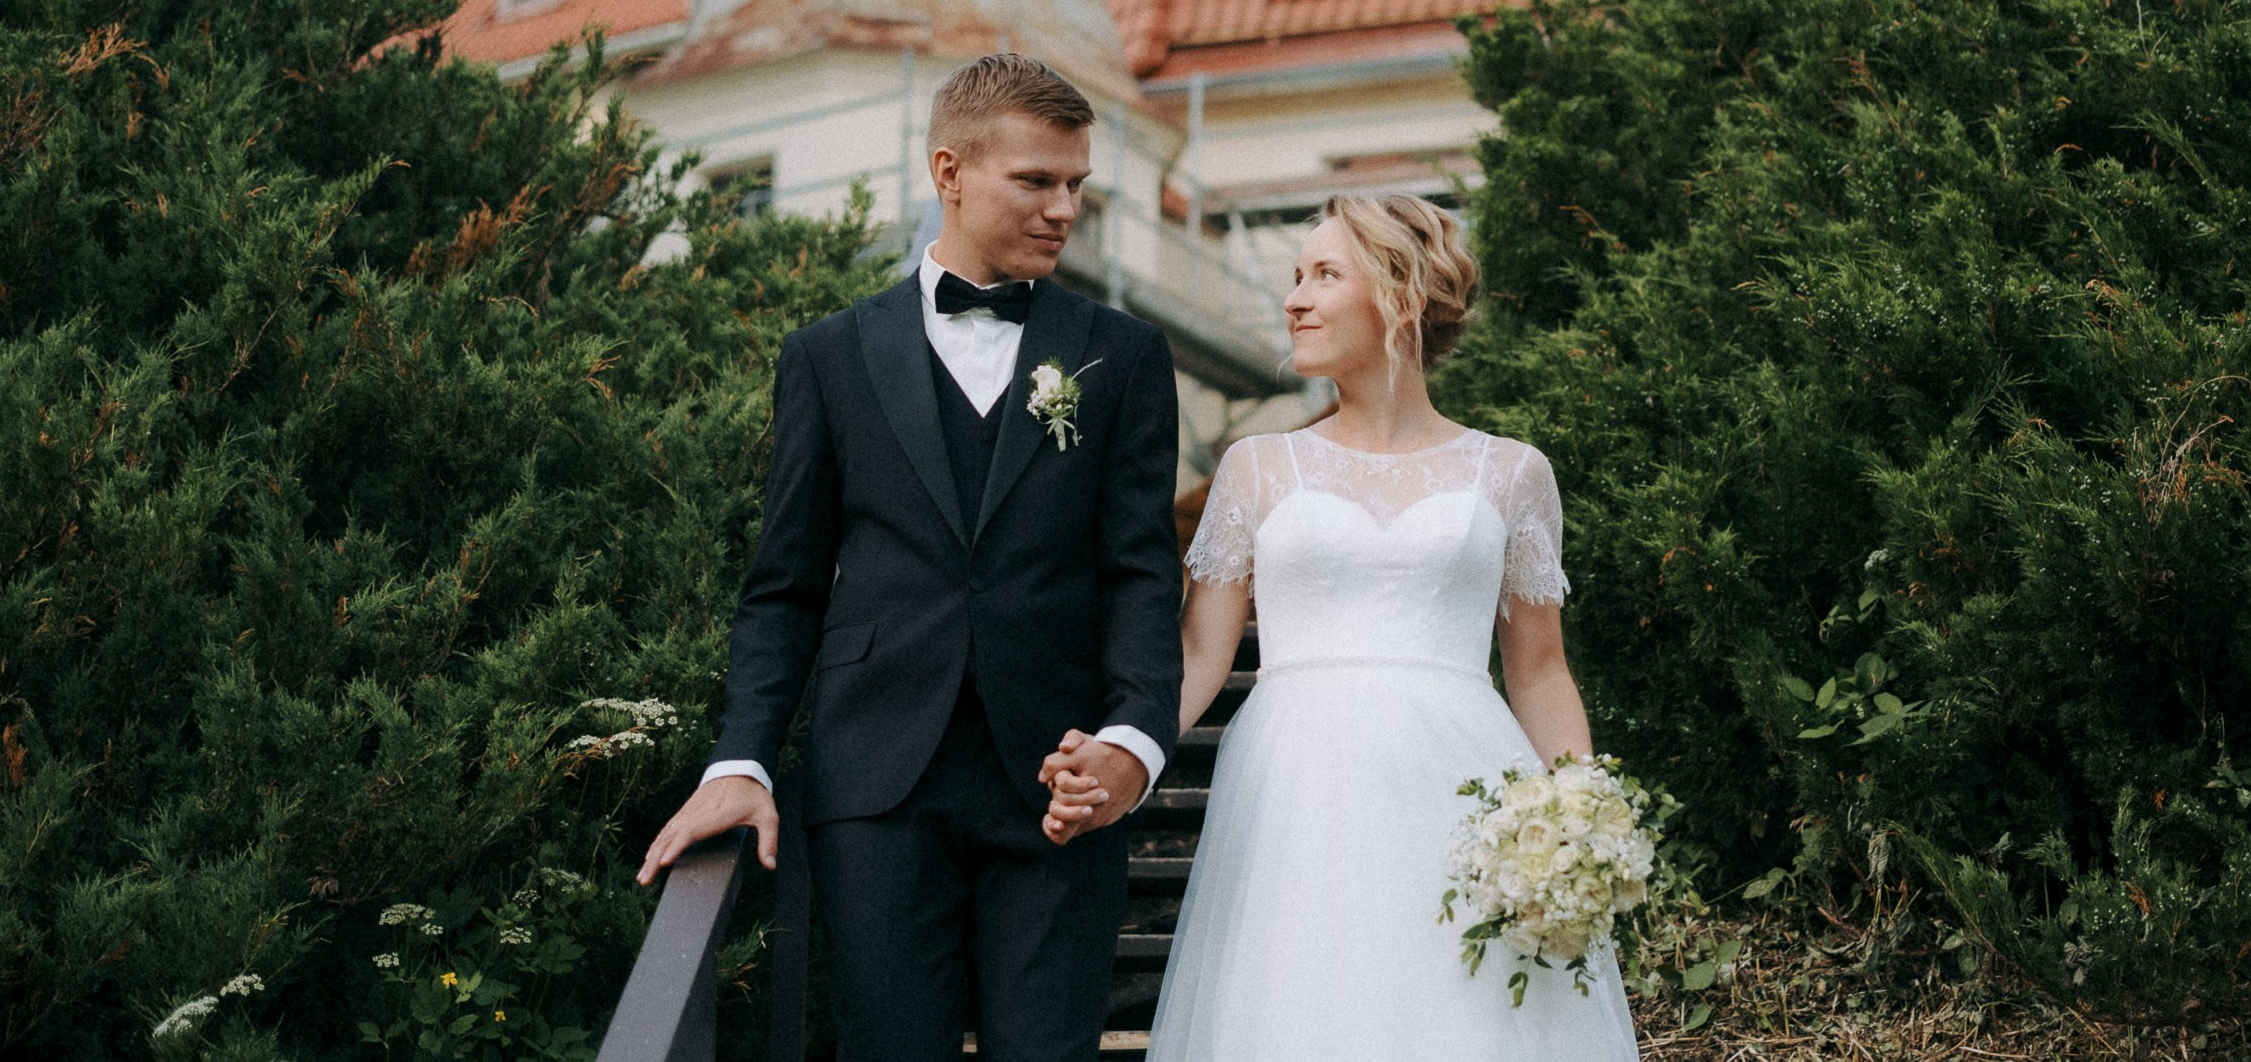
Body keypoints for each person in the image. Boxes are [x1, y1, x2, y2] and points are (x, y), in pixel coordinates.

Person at [639, 53, 1184, 1062]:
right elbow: (786, 585)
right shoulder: (830, 355)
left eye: (1076, 185)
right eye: (1036, 181)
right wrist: (742, 756)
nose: (1065, 208)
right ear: (950, 172)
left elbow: (1142, 573)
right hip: (878, 783)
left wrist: (1134, 742)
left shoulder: (1123, 356)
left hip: (1058, 783)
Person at [1052, 194, 1637, 1060]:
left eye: (1324, 274)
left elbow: (1541, 673)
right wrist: (1123, 749)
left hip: (1466, 796)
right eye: (1295, 276)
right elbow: (1200, 654)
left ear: (1402, 294)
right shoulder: (1257, 468)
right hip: (1295, 795)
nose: (1293, 298)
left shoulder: (1512, 473)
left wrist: (1585, 814)